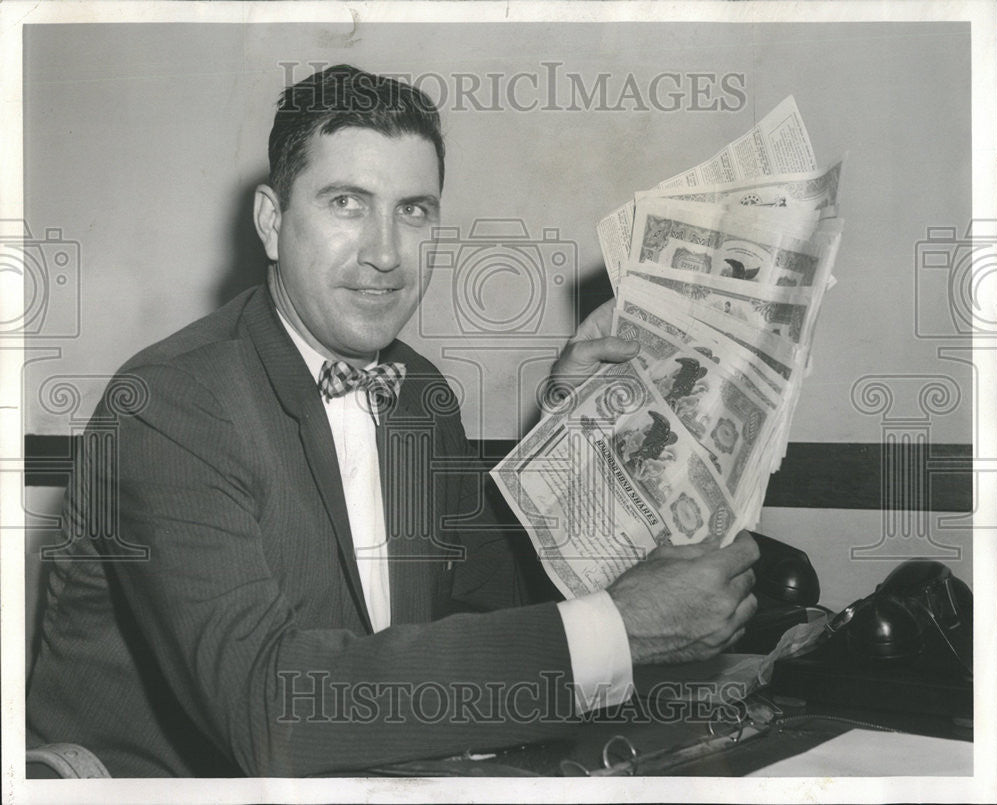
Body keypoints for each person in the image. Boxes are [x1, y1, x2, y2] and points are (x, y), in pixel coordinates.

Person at [26, 64, 759, 777]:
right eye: (346, 202)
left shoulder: (419, 394)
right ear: (272, 223)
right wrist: (621, 630)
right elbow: (272, 711)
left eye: (413, 210)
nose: (385, 254)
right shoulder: (170, 403)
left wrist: (570, 436)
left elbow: (502, 611)